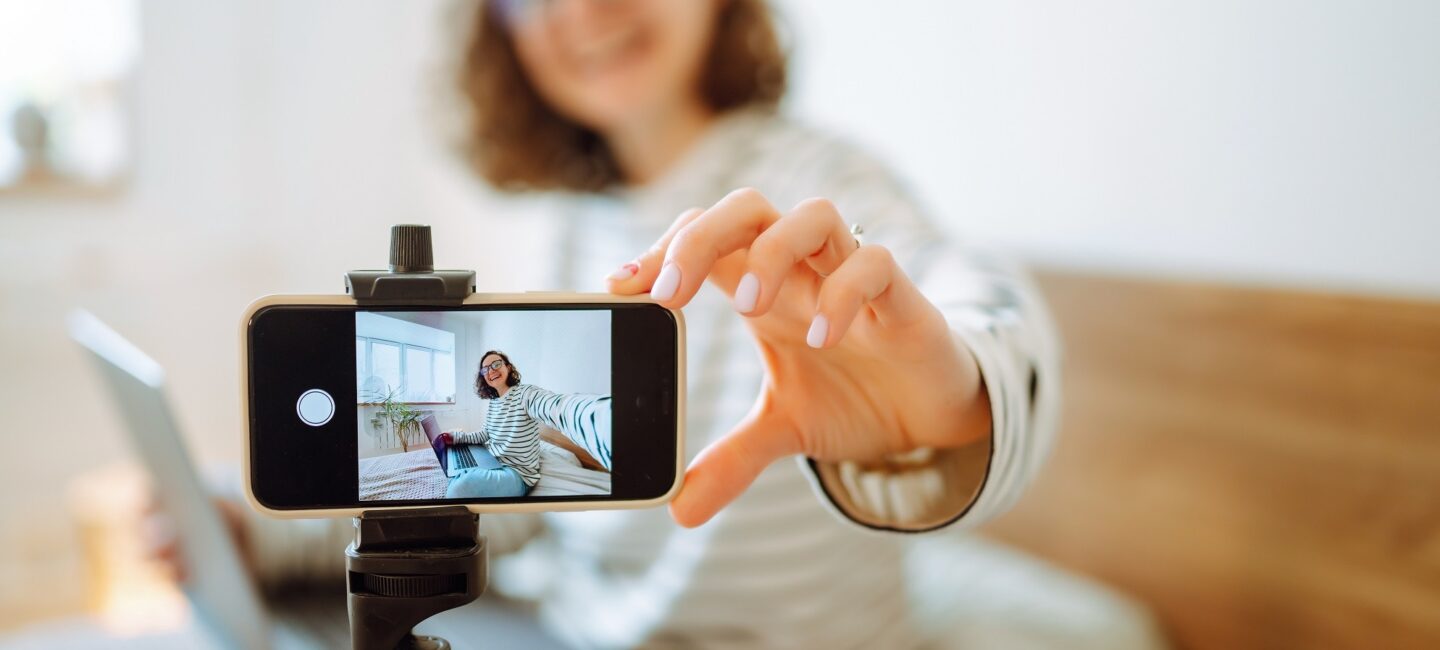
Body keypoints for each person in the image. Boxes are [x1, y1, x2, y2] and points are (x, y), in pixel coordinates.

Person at [163, 1, 1165, 647]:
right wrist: (263, 535)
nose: (580, 9)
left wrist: (959, 388)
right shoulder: (569, 223)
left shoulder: (820, 185)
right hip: (569, 624)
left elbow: (976, 295)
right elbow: (519, 502)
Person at [441, 350, 614, 497]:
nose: (491, 371)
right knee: (457, 466)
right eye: (485, 369)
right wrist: (455, 437)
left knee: (460, 487)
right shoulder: (493, 402)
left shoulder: (526, 393)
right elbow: (485, 434)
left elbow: (557, 407)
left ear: (508, 367)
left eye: (496, 364)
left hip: (517, 474)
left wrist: (602, 416)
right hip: (491, 459)